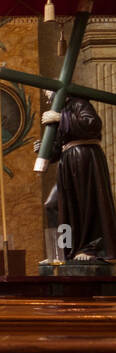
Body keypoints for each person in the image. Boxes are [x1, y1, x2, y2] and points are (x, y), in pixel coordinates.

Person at [39, 94, 116, 261]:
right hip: (67, 162)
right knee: (53, 205)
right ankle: (61, 251)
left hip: (85, 157)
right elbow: (58, 148)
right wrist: (43, 149)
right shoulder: (61, 110)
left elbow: (93, 124)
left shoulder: (79, 103)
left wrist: (61, 118)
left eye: (48, 92)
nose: (47, 96)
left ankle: (92, 248)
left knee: (86, 203)